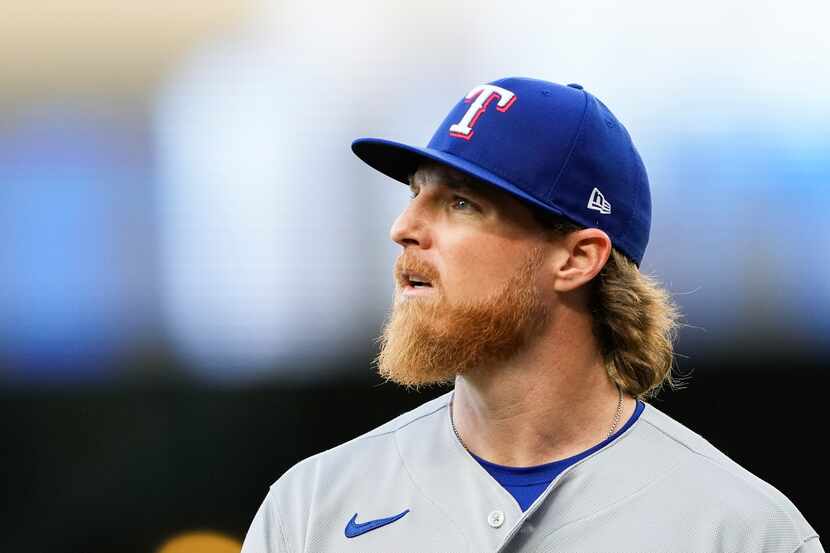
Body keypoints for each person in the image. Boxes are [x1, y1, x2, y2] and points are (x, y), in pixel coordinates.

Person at [241, 77, 822, 553]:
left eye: (460, 203)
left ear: (576, 258)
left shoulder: (742, 532)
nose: (404, 228)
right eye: (414, 193)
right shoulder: (311, 508)